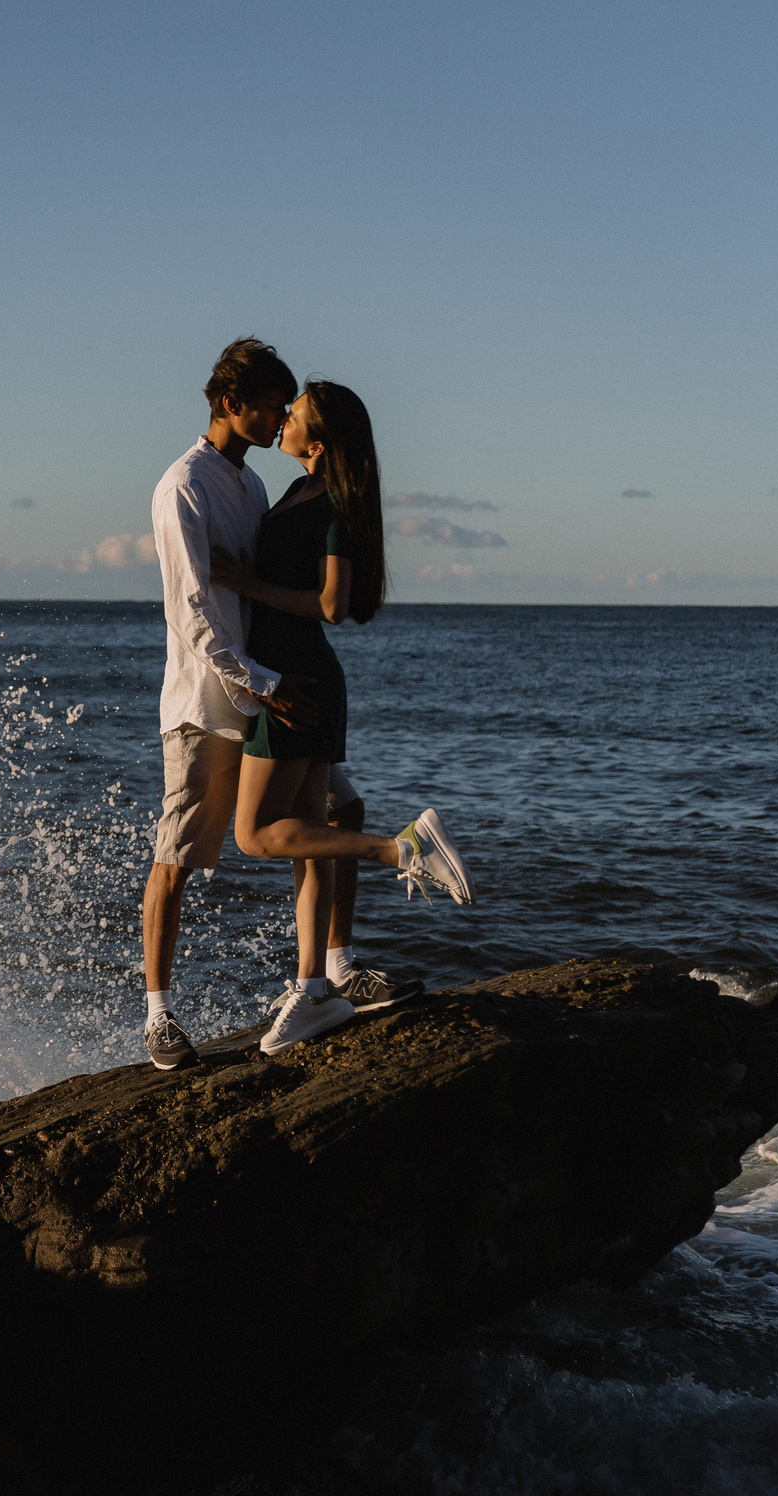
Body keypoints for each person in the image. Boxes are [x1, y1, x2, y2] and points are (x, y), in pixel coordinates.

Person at [214, 379, 472, 1056]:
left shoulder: (330, 505)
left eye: (294, 413)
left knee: (255, 834)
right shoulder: (300, 492)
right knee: (306, 842)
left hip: (295, 681)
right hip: (293, 675)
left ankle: (402, 848)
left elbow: (332, 604)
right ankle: (316, 987)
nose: (285, 416)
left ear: (319, 444)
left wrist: (247, 585)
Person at [140, 337, 321, 1071]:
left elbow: (247, 588)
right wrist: (263, 683)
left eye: (285, 405)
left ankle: (324, 973)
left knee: (324, 813)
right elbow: (192, 609)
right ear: (228, 405)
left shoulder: (247, 486)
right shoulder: (183, 484)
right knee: (177, 858)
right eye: (271, 404)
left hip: (261, 696)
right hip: (206, 706)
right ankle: (157, 1015)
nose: (280, 417)